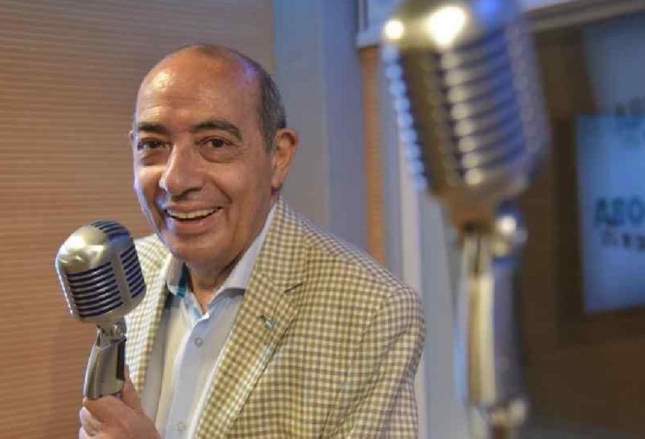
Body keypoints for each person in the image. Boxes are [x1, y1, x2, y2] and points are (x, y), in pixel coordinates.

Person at [78, 44, 425, 439]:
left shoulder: (373, 309)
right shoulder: (131, 270)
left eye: (215, 143)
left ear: (278, 156)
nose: (175, 179)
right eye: (153, 145)